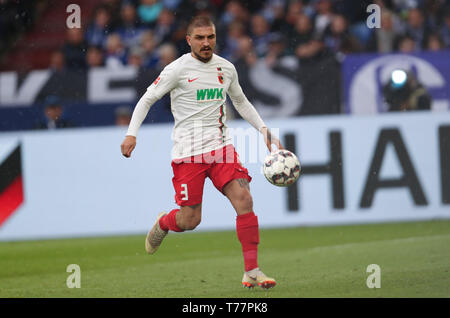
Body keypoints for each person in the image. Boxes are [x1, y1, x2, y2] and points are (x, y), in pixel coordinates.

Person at [120, 16, 283, 289]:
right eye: (200, 38)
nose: (206, 43)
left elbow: (240, 101)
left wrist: (264, 130)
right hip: (188, 155)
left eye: (210, 37)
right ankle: (164, 222)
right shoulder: (177, 69)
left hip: (221, 149)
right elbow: (147, 98)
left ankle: (252, 270)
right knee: (190, 220)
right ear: (188, 40)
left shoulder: (226, 68)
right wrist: (131, 133)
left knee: (244, 199)